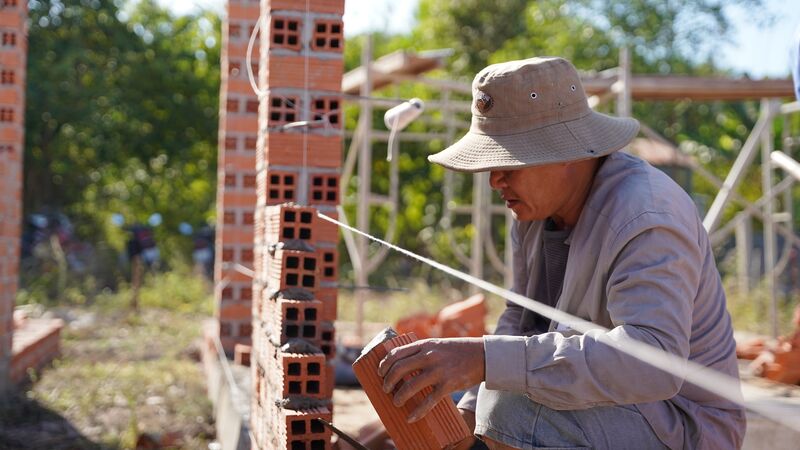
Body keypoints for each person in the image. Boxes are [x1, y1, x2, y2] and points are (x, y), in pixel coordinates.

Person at [377, 57, 746, 449]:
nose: (495, 181)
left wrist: (485, 362)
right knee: (473, 406)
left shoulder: (646, 216)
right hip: (612, 409)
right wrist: (466, 417)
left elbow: (654, 363)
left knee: (511, 409)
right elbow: (521, 319)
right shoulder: (535, 212)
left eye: (508, 162)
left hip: (682, 423)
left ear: (566, 150)